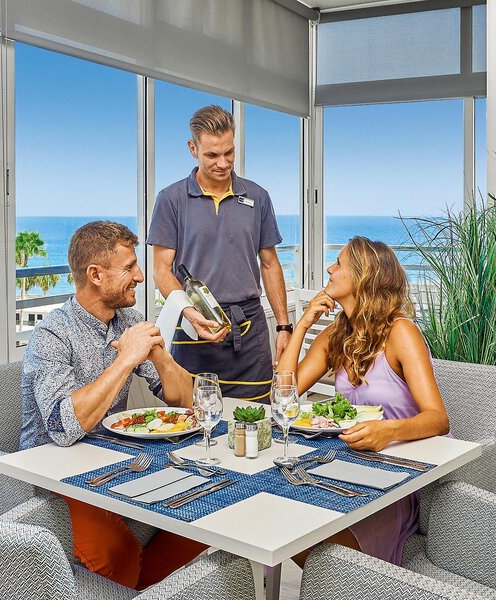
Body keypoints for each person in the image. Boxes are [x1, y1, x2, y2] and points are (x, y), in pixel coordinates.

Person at [20, 220, 206, 590]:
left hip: (114, 460)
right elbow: (63, 428)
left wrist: (159, 355)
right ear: (96, 275)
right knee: (115, 553)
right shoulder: (51, 335)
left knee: (201, 515)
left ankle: (135, 591)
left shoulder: (129, 321)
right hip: (56, 475)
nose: (140, 276)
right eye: (129, 267)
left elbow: (186, 401)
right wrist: (126, 359)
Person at [277, 236, 450, 567]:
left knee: (323, 543)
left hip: (400, 471)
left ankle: (352, 582)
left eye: (339, 263)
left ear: (363, 276)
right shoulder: (337, 334)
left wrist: (388, 432)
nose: (330, 268)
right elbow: (285, 395)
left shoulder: (401, 333)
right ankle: (332, 584)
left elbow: (439, 419)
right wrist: (302, 325)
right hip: (349, 462)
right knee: (286, 512)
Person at [148, 104, 292, 402]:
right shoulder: (171, 199)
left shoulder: (258, 197)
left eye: (229, 152)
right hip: (194, 326)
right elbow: (162, 270)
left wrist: (283, 326)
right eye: (212, 155)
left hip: (248, 329)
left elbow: (269, 264)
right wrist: (190, 313)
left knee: (257, 418)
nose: (223, 163)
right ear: (193, 149)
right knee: (193, 418)